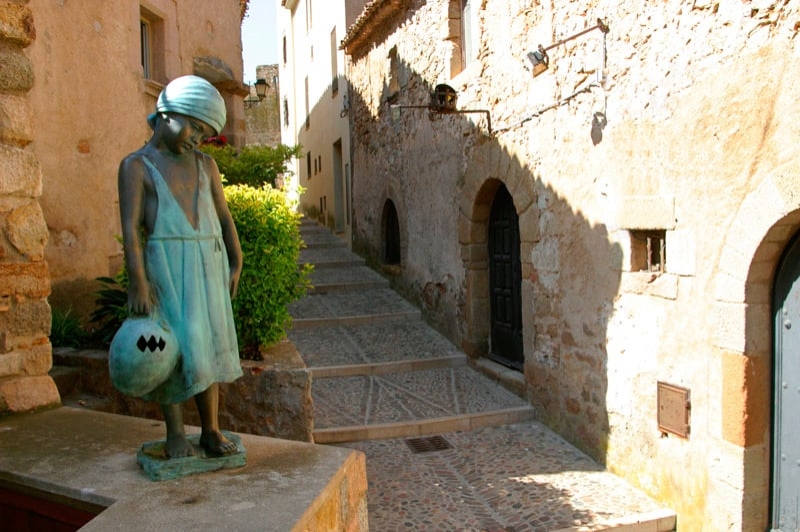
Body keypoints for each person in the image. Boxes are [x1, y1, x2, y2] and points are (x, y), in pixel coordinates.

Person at [117, 75, 243, 458]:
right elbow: (131, 229)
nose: (198, 139)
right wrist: (138, 281)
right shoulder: (136, 166)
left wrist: (237, 259)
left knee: (209, 347)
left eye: (205, 134)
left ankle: (210, 430)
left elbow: (224, 217)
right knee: (171, 350)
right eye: (195, 127)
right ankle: (174, 433)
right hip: (166, 268)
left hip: (209, 264)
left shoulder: (206, 166)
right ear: (168, 114)